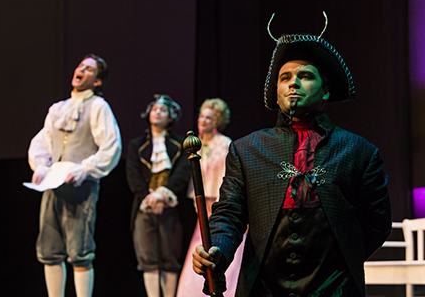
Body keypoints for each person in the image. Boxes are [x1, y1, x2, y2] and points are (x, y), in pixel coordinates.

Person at [192, 18, 392, 297]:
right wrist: (219, 252)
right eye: (284, 78)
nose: (293, 83)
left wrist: (342, 261)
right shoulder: (246, 149)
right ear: (276, 92)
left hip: (335, 289)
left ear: (326, 89)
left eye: (306, 76)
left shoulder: (360, 152)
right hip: (263, 288)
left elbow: (377, 223)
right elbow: (229, 216)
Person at [28, 53, 122, 297]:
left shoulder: (98, 106)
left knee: (79, 251)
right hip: (52, 186)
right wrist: (40, 165)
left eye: (89, 69)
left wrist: (84, 169)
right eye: (80, 65)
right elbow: (42, 143)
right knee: (50, 248)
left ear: (98, 81)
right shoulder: (59, 109)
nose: (81, 70)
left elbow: (111, 147)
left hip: (81, 187)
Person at [177, 98, 244, 297]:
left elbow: (226, 176)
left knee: (215, 242)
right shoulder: (194, 143)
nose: (203, 121)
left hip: (218, 204)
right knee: (199, 246)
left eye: (209, 117)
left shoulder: (224, 143)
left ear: (217, 121)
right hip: (200, 205)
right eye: (201, 116)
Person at [126, 94, 191, 297]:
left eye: (163, 110)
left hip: (170, 206)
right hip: (144, 206)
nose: (158, 112)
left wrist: (164, 194)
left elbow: (183, 171)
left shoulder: (180, 144)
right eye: (155, 109)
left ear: (170, 117)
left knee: (169, 258)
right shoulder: (137, 145)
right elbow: (133, 173)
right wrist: (148, 196)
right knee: (148, 258)